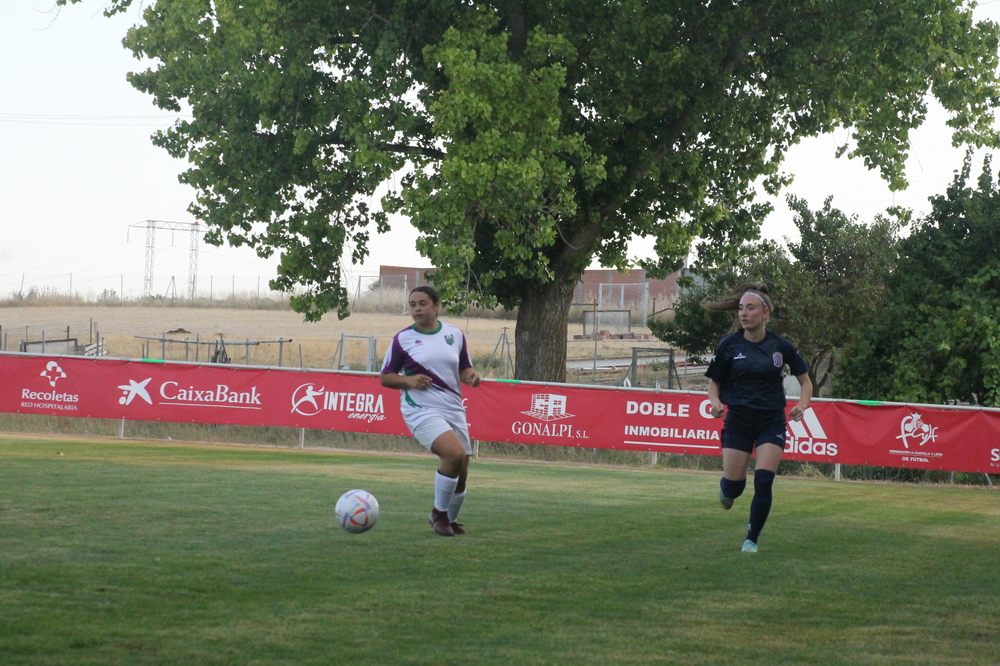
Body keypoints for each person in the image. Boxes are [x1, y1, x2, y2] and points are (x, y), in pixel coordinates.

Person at [704, 283, 812, 553]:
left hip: (771, 421)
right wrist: (715, 402)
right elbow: (713, 383)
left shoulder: (780, 346)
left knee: (763, 480)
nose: (744, 313)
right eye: (741, 308)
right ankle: (727, 489)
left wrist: (802, 404)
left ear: (766, 313)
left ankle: (751, 539)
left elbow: (806, 382)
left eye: (750, 308)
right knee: (735, 487)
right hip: (738, 420)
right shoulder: (729, 345)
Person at [380, 286, 481, 537]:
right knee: (454, 454)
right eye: (413, 304)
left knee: (462, 469)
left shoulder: (454, 334)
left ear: (436, 306)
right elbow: (386, 378)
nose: (416, 309)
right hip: (421, 409)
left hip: (453, 407)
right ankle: (438, 514)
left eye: (422, 303)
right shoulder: (402, 339)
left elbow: (464, 368)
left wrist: (470, 376)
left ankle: (451, 520)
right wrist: (409, 381)